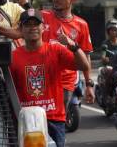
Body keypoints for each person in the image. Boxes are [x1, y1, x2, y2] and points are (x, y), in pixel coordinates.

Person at [10, 9, 90, 147]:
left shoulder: (56, 50)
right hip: (25, 120)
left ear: (43, 27)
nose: (32, 28)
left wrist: (75, 47)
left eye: (36, 24)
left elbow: (84, 65)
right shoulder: (13, 57)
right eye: (27, 24)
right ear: (21, 29)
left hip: (54, 119)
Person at [41, 0, 95, 107]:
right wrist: (23, 3)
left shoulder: (81, 25)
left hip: (66, 83)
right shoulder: (43, 16)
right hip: (42, 79)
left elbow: (86, 56)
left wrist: (89, 85)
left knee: (58, 122)